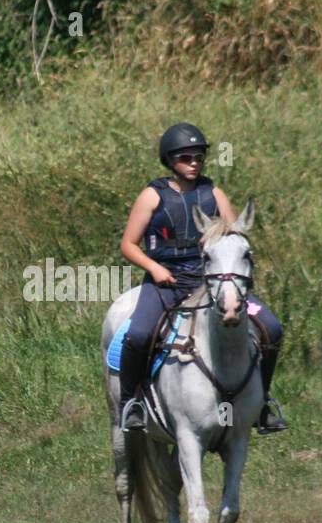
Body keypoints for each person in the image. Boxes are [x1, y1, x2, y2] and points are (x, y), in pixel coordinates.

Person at [117, 122, 286, 433]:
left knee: (272, 328)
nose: (194, 163)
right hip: (166, 280)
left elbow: (235, 237)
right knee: (139, 334)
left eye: (198, 157)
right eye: (185, 158)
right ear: (170, 160)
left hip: (212, 281)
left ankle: (261, 404)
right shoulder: (152, 196)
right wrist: (154, 268)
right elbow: (128, 244)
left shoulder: (215, 194)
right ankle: (131, 403)